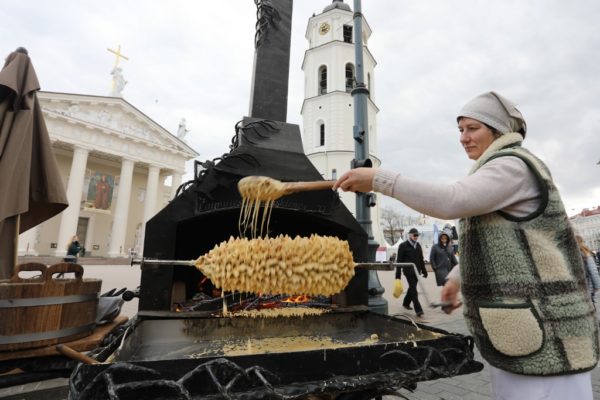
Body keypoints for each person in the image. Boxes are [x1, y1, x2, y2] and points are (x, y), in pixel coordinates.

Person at [333, 91, 598, 399]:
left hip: (548, 329)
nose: (463, 137)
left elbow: (452, 201)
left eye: (473, 128)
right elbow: (498, 244)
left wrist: (380, 179)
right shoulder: (496, 170)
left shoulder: (512, 166)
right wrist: (457, 279)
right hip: (527, 328)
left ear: (498, 131)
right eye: (460, 130)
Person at [395, 228, 428, 319]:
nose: (416, 237)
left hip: (417, 271)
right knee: (413, 289)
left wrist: (424, 271)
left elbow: (421, 259)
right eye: (414, 235)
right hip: (408, 271)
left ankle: (406, 303)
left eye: (417, 235)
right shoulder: (403, 246)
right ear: (409, 235)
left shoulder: (418, 246)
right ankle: (418, 310)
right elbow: (399, 261)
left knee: (412, 288)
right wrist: (397, 276)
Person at [576, 235, 600, 309]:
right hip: (588, 286)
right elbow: (593, 271)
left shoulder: (572, 256)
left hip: (577, 289)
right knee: (591, 306)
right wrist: (597, 286)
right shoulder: (586, 254)